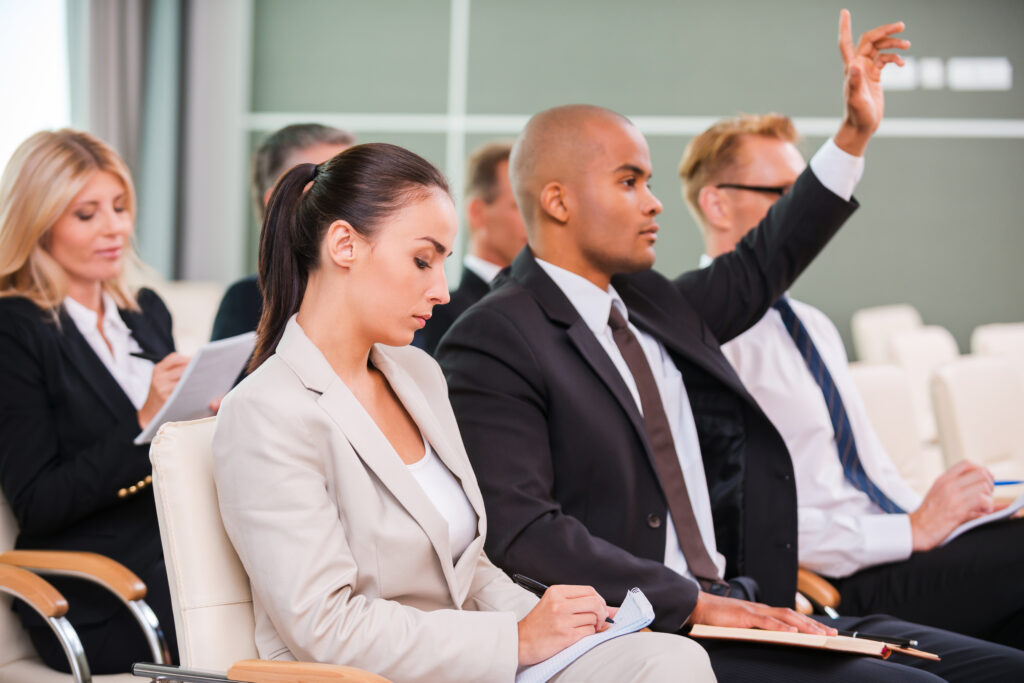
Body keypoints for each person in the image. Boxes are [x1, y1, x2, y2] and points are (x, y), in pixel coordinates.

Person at [437, 12, 1024, 681]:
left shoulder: (651, 302)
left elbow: (765, 260)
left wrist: (854, 135)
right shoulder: (495, 336)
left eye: (651, 181)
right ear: (558, 200)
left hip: (758, 605)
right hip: (653, 631)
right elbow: (525, 531)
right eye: (630, 181)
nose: (655, 203)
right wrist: (697, 603)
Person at [211, 142, 714, 682]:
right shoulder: (266, 411)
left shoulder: (418, 376)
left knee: (672, 659)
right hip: (370, 675)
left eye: (445, 262)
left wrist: (556, 625)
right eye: (422, 260)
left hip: (475, 660)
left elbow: (467, 567)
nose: (443, 291)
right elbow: (326, 626)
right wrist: (517, 638)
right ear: (344, 245)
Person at [680, 111, 1024, 648]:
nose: (803, 214)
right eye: (787, 195)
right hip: (840, 579)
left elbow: (868, 473)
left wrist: (954, 514)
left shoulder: (812, 324)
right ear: (716, 202)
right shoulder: (702, 343)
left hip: (900, 546)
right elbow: (748, 529)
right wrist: (910, 531)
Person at [0, 130, 182, 673]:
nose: (115, 228)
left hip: (172, 558)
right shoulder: (15, 330)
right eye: (87, 214)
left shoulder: (145, 312)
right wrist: (145, 418)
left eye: (121, 208)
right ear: (40, 223)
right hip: (98, 597)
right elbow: (38, 500)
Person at [210, 123, 355, 341]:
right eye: (325, 188)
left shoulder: (399, 293)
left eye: (351, 184)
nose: (350, 200)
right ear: (279, 200)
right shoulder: (246, 301)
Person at [413, 140, 527, 354]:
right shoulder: (433, 316)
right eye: (520, 206)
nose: (534, 220)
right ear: (477, 213)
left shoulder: (546, 305)